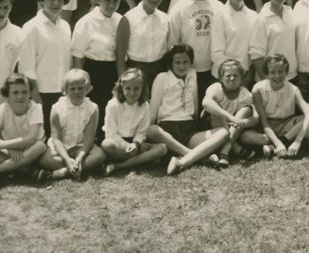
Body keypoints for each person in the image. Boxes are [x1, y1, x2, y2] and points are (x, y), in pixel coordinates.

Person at [147, 44, 230, 175]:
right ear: (171, 63)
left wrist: (196, 123)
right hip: (167, 129)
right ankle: (197, 156)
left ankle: (183, 161)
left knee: (223, 133)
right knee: (151, 129)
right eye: (177, 62)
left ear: (191, 62)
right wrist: (149, 132)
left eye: (185, 62)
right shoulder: (162, 78)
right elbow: (153, 109)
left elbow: (195, 101)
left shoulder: (192, 74)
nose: (181, 66)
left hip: (189, 129)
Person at [18, 0, 72, 137]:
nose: (56, 3)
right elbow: (26, 65)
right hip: (40, 93)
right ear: (42, 0)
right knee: (41, 136)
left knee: (59, 136)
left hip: (61, 92)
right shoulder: (31, 27)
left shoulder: (66, 27)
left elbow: (67, 61)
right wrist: (35, 95)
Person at [70, 0, 123, 135]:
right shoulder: (86, 22)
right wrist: (81, 81)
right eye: (107, 0)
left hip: (113, 70)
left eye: (115, 1)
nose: (111, 5)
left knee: (110, 109)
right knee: (93, 110)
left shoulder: (120, 20)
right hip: (93, 71)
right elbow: (78, 55)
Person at [35, 68, 106, 181]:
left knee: (100, 155)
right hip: (61, 149)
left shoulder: (93, 108)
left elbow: (89, 138)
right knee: (45, 159)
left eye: (80, 88)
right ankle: (78, 167)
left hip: (81, 147)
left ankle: (64, 172)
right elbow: (56, 139)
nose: (77, 92)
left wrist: (80, 156)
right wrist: (67, 159)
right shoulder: (57, 108)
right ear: (65, 91)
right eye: (72, 89)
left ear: (86, 89)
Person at [169, 0, 224, 104]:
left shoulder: (218, 7)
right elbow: (173, 44)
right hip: (188, 71)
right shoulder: (178, 9)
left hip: (213, 70)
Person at [0, 73, 47, 179]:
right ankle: (24, 170)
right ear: (7, 95)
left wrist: (3, 145)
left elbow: (31, 138)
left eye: (24, 92)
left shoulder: (36, 108)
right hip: (12, 152)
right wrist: (9, 148)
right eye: (15, 92)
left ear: (30, 93)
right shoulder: (4, 108)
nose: (20, 96)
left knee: (40, 146)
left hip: (31, 151)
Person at [247, 54, 309, 159]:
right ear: (266, 74)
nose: (277, 76)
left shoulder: (294, 90)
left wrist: (297, 142)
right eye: (272, 72)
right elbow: (264, 123)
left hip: (287, 126)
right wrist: (278, 143)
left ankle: (280, 143)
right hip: (266, 128)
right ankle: (279, 144)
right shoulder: (258, 89)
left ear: (286, 72)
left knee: (306, 119)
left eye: (281, 71)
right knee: (246, 136)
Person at [101, 68, 169, 175]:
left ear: (142, 88)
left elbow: (142, 132)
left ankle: (118, 165)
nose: (132, 93)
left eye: (136, 88)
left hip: (136, 144)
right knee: (106, 144)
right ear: (121, 88)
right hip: (118, 144)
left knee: (162, 148)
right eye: (128, 88)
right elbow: (111, 133)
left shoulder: (145, 105)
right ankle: (139, 160)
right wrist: (129, 146)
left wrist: (136, 144)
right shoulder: (113, 105)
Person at [115, 0, 171, 93]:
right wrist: (123, 81)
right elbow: (120, 56)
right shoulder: (128, 19)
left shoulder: (165, 19)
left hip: (159, 72)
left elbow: (167, 51)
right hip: (135, 72)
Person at [201, 59, 259, 165]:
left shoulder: (244, 93)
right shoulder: (216, 88)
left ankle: (225, 148)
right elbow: (206, 103)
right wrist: (230, 117)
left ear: (241, 78)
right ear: (221, 78)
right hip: (212, 125)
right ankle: (234, 147)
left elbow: (256, 117)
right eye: (228, 75)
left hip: (231, 127)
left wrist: (244, 122)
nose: (232, 78)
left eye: (236, 75)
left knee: (246, 109)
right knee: (216, 106)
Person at [212, 0, 259, 84]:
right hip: (224, 77)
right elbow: (217, 53)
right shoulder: (220, 16)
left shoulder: (254, 16)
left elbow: (255, 50)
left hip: (246, 78)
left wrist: (248, 74)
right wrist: (235, 73)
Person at [251, 0, 298, 83]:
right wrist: (269, 82)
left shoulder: (290, 13)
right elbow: (256, 56)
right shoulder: (261, 19)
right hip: (270, 80)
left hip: (291, 77)